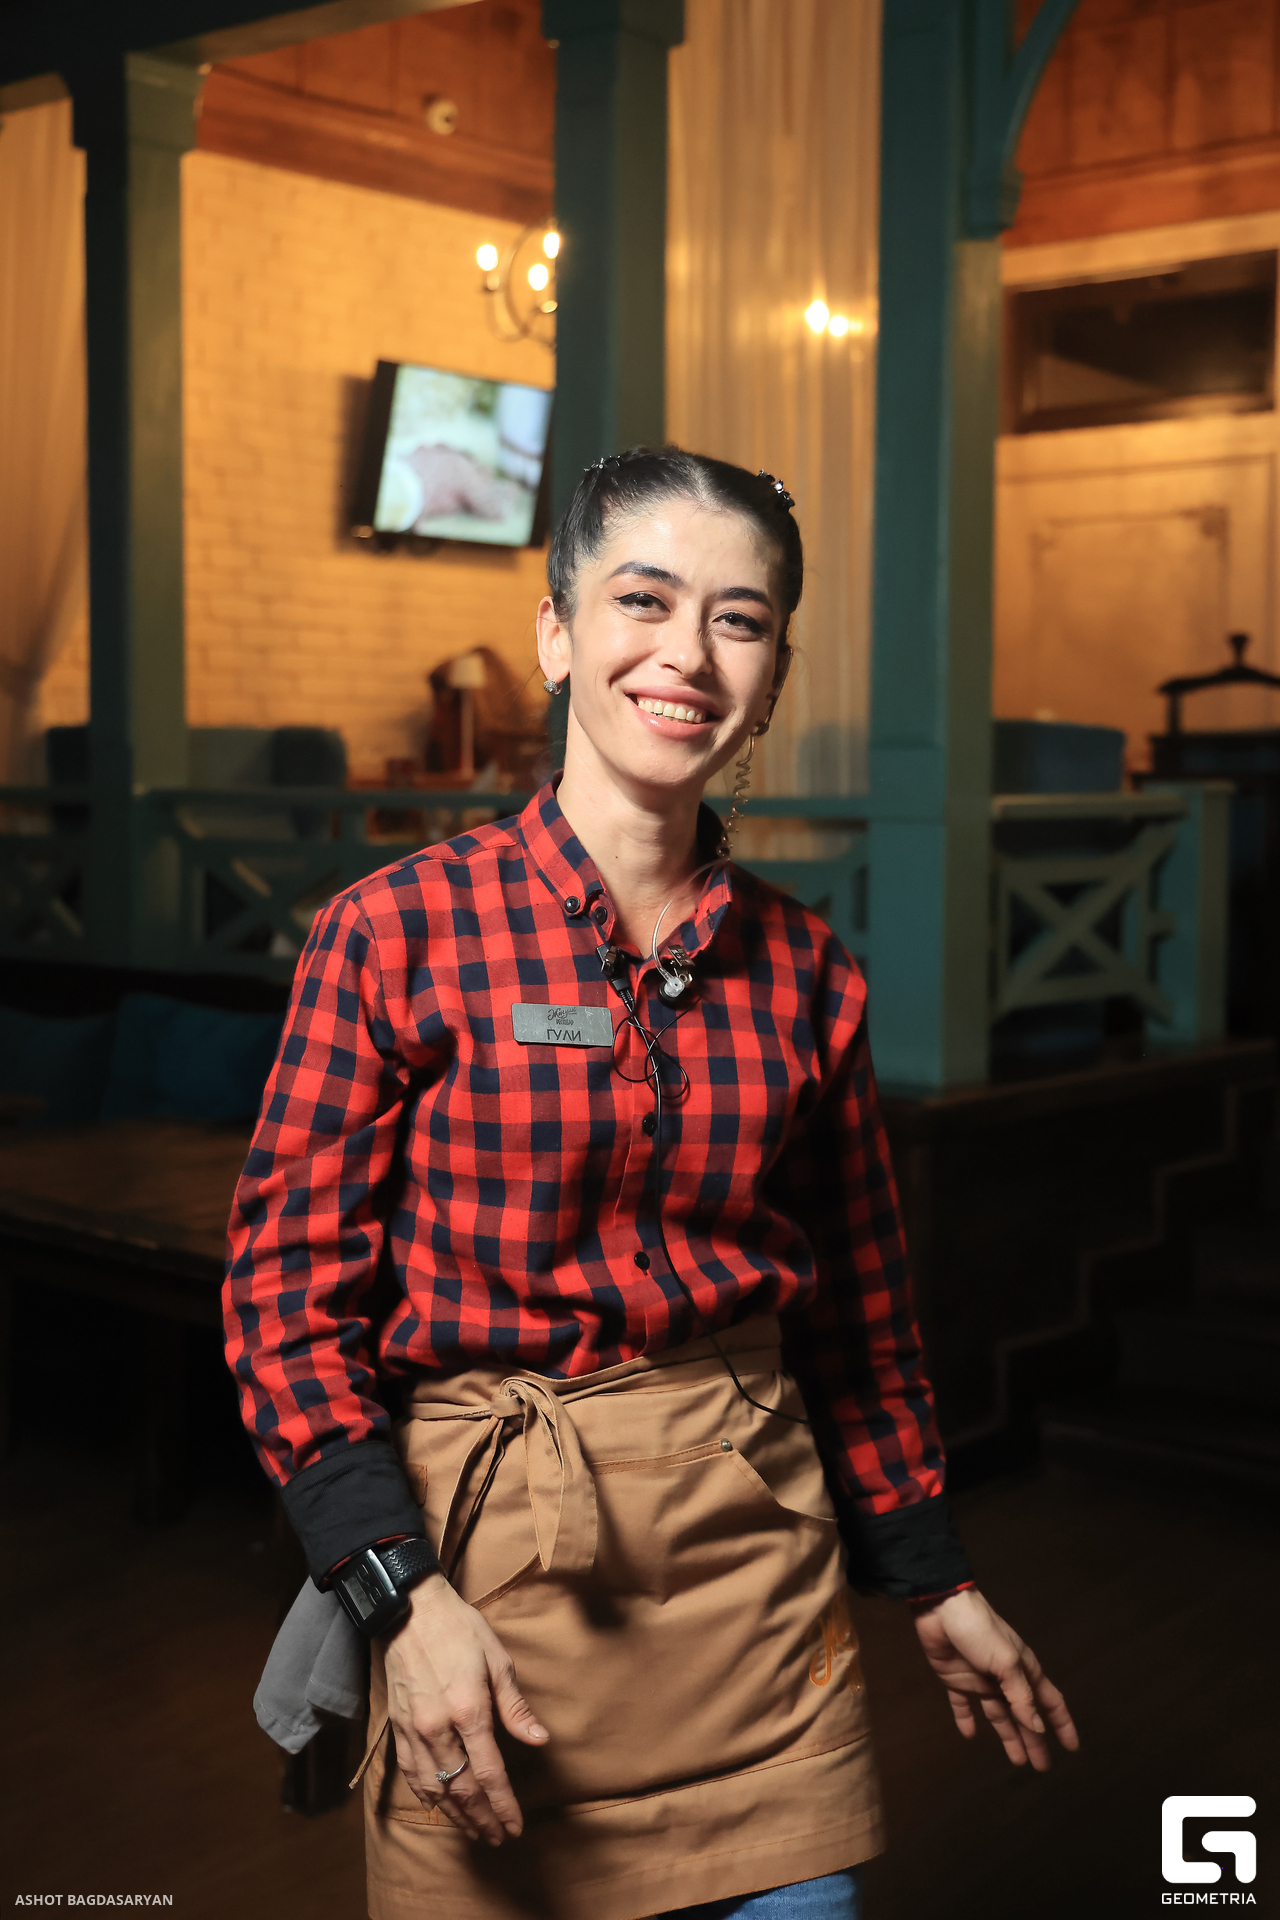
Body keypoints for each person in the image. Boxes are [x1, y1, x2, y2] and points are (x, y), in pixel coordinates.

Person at [224, 447, 1079, 1920]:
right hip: (480, 1600)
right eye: (643, 600)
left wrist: (935, 1578)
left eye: (739, 620)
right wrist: (400, 1602)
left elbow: (863, 1324)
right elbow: (283, 1303)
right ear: (557, 631)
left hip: (762, 1603)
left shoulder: (808, 970)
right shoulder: (394, 931)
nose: (688, 652)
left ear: (773, 676)